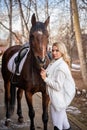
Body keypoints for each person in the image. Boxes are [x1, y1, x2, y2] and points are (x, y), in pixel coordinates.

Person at [40, 42, 76, 130]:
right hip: (56, 97)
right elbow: (51, 74)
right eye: (52, 50)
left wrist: (45, 78)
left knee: (57, 126)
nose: (54, 53)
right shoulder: (55, 62)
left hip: (59, 100)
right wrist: (44, 72)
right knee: (65, 125)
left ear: (62, 51)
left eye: (57, 50)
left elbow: (58, 86)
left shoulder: (61, 67)